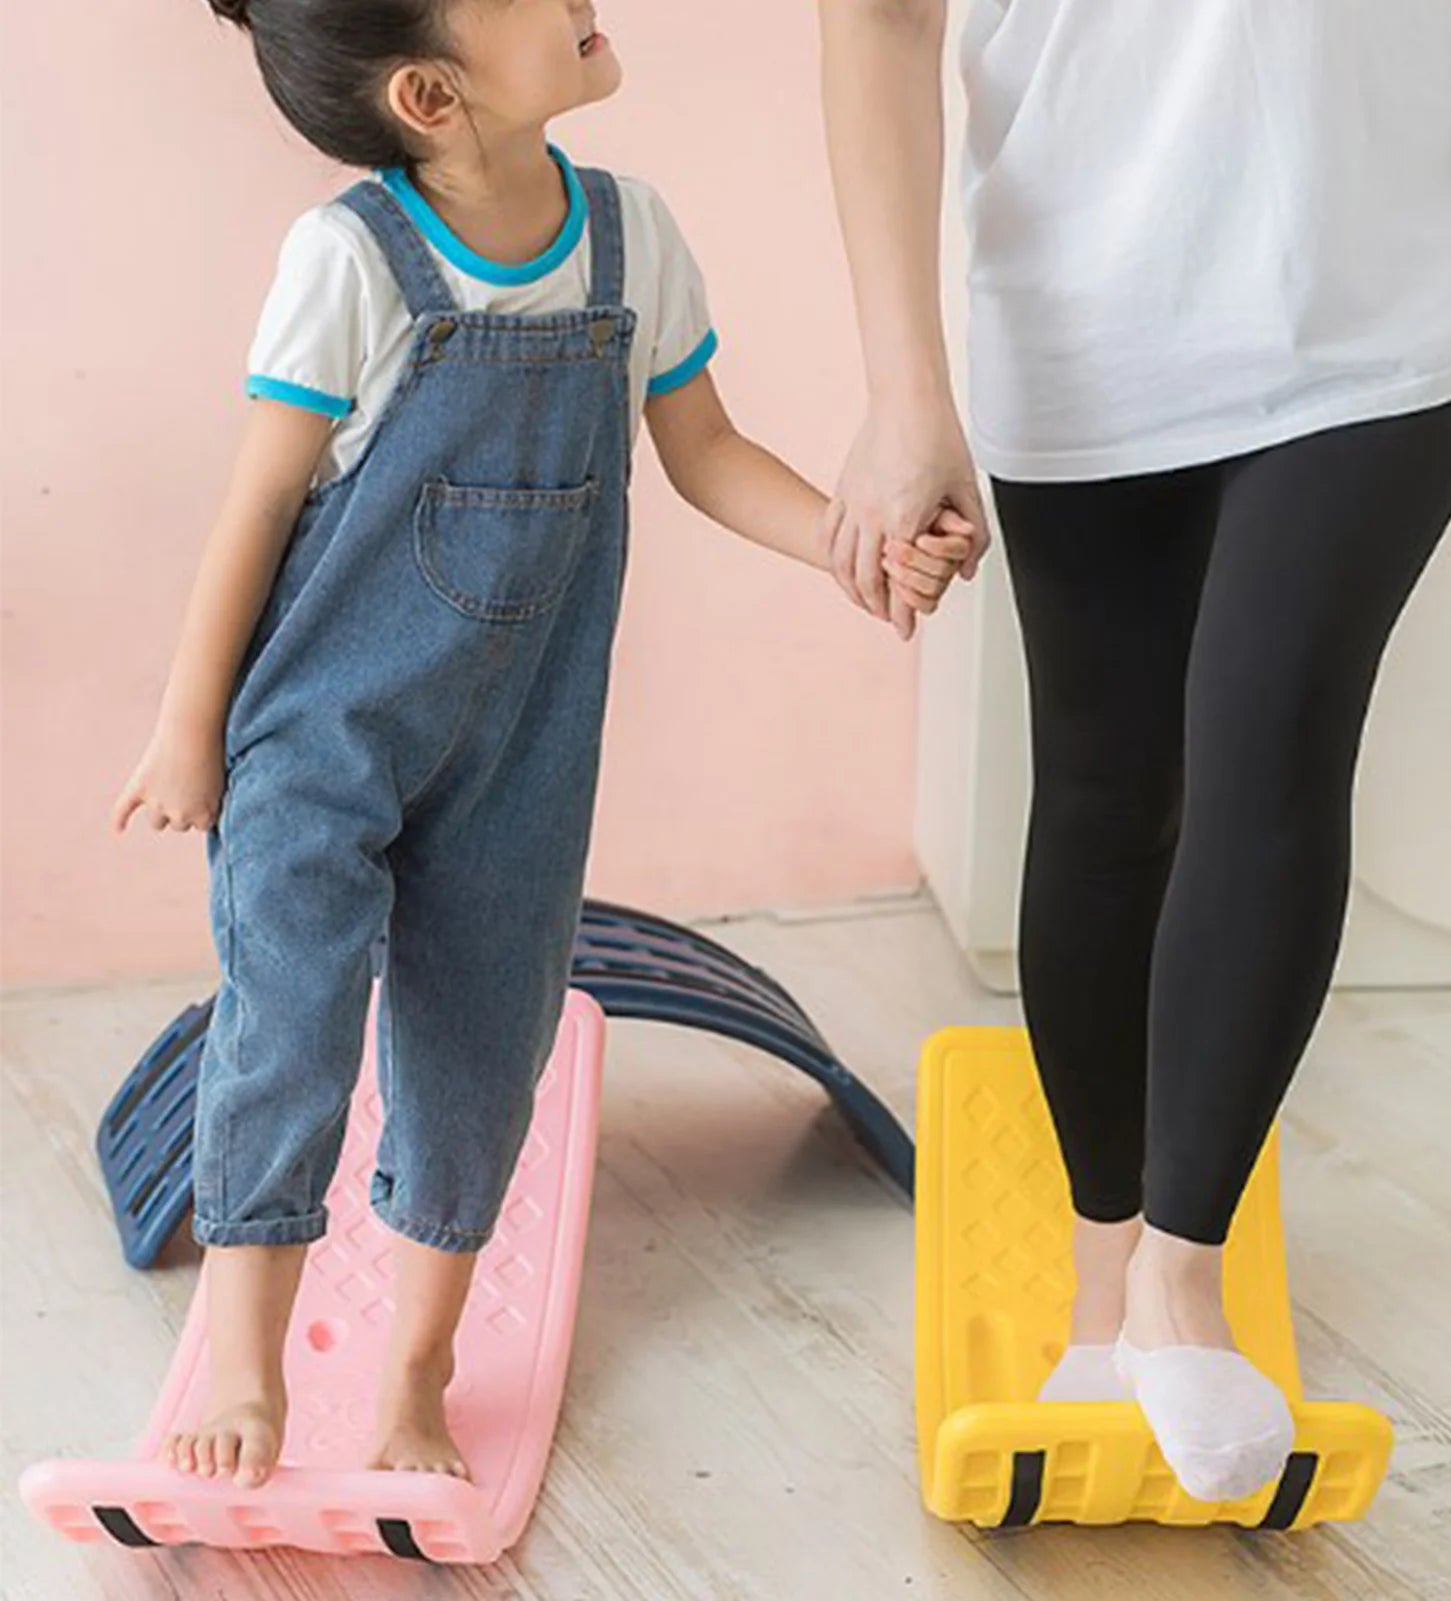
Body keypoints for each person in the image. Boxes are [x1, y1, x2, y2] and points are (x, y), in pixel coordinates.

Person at [113, 0, 973, 1490]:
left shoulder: (631, 241)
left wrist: (853, 547)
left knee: (477, 1054)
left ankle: (417, 1373)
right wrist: (192, 730)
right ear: (431, 95)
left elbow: (706, 454)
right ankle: (246, 1357)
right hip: (318, 733)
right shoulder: (352, 261)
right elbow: (256, 505)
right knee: (286, 1022)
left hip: (518, 748)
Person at [820, 0, 1451, 1501]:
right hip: (1085, 305)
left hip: (1397, 283)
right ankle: (1100, 1272)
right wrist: (904, 388)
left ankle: (1180, 1280)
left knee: (1274, 729)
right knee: (1106, 791)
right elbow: (877, 20)